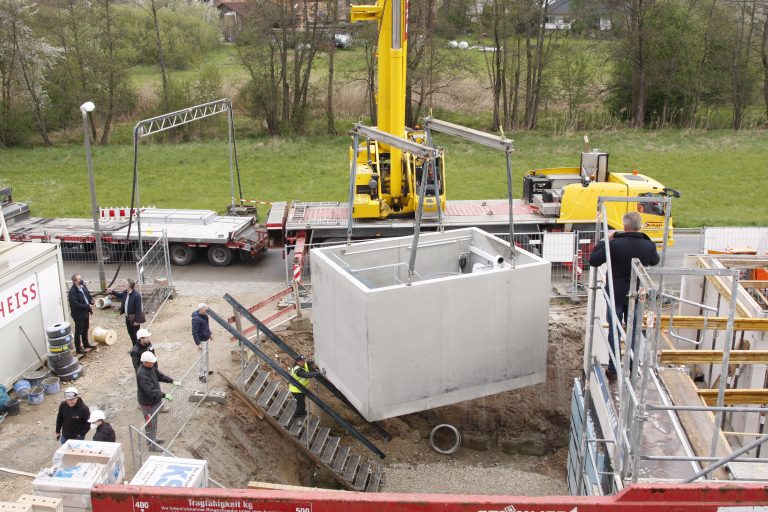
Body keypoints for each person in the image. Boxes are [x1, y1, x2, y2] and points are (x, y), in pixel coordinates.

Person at [589, 211, 660, 378]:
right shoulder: (648, 246)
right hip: (637, 295)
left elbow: (594, 260)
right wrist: (646, 239)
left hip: (615, 294)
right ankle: (632, 367)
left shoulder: (614, 245)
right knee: (634, 331)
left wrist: (605, 240)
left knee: (615, 330)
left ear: (624, 226)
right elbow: (654, 260)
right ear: (639, 226)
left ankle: (614, 368)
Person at [136, 350, 180, 451]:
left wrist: (171, 381)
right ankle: (152, 446)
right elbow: (150, 391)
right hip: (147, 404)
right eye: (151, 362)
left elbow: (159, 375)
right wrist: (164, 395)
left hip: (154, 402)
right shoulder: (142, 374)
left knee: (154, 422)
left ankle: (153, 439)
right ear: (145, 362)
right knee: (150, 424)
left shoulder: (151, 367)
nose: (153, 363)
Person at [106, 279, 144, 346]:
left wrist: (137, 320)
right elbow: (119, 295)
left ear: (129, 285)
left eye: (126, 283)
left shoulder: (136, 295)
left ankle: (138, 349)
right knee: (130, 333)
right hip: (127, 318)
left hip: (134, 318)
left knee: (136, 334)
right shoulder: (125, 292)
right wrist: (112, 291)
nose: (124, 284)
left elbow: (138, 309)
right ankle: (134, 347)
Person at [288, 355, 325, 423]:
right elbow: (306, 375)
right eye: (301, 361)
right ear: (297, 362)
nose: (303, 362)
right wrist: (318, 373)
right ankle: (296, 417)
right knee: (300, 404)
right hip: (296, 390)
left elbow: (307, 363)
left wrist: (314, 361)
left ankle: (302, 412)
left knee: (302, 402)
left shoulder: (303, 364)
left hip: (301, 389)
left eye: (303, 360)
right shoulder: (298, 371)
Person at [67, 274, 95, 354]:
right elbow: (75, 304)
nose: (81, 280)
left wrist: (91, 300)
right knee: (79, 331)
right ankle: (78, 348)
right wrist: (87, 305)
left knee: (86, 328)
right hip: (78, 314)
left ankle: (86, 344)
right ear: (75, 281)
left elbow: (88, 295)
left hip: (85, 312)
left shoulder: (83, 286)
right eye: (79, 279)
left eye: (81, 278)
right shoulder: (72, 292)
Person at [191, 303, 214, 383]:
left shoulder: (205, 316)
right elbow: (194, 332)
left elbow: (206, 327)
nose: (206, 310)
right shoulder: (195, 319)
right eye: (205, 309)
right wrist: (198, 344)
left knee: (206, 356)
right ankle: (201, 375)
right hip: (201, 341)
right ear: (201, 309)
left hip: (206, 338)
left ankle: (205, 370)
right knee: (201, 358)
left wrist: (210, 333)